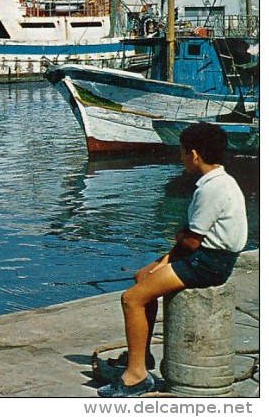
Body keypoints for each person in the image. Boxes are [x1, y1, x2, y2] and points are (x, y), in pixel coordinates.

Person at [97, 122, 248, 398]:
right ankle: (140, 358)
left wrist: (178, 236)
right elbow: (190, 241)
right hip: (203, 257)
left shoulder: (211, 189)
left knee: (131, 299)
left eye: (181, 153)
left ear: (193, 155)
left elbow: (190, 241)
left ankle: (136, 377)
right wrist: (158, 264)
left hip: (208, 264)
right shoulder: (221, 181)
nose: (180, 158)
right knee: (143, 278)